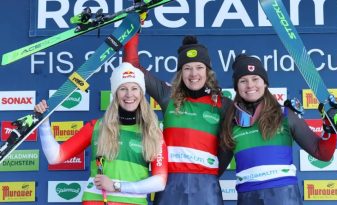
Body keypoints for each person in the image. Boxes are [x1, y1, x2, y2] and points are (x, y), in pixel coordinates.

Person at [34, 62, 168, 205]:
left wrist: (117, 186)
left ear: (141, 93)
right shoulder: (97, 126)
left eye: (134, 88)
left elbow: (160, 181)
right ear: (115, 93)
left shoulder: (152, 132)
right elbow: (55, 157)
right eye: (123, 88)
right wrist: (44, 124)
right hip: (95, 201)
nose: (129, 94)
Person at [123, 34, 232, 205]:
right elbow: (132, 68)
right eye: (187, 68)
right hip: (170, 185)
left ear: (208, 71)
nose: (194, 74)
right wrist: (133, 31)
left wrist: (213, 172)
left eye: (199, 67)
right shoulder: (168, 95)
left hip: (206, 185)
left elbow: (230, 145)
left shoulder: (223, 104)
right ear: (181, 72)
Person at [220, 54, 337, 205]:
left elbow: (322, 153)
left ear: (265, 83)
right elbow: (215, 169)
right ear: (237, 87)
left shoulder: (285, 115)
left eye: (255, 79)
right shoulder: (231, 123)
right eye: (243, 81)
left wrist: (330, 127)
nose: (250, 85)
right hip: (248, 197)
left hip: (284, 196)